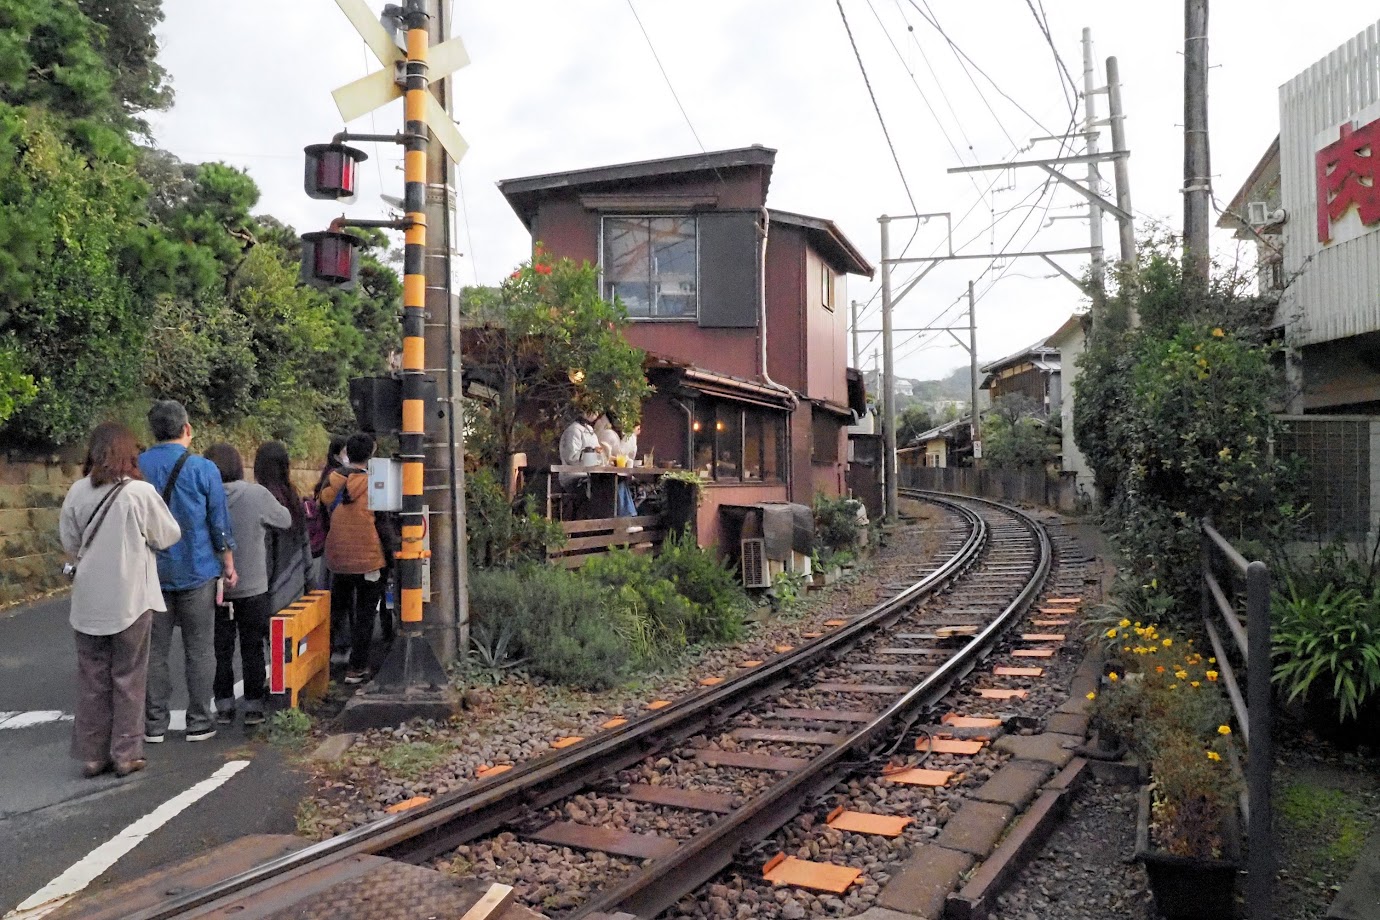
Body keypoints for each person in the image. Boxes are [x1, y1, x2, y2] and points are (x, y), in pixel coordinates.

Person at [59, 423, 182, 778]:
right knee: (128, 677)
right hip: (130, 598)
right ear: (129, 453)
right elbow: (168, 534)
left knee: (92, 678)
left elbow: (69, 539)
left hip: (87, 601)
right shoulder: (138, 493)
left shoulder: (77, 492)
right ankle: (126, 753)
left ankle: (93, 755)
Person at [140, 400, 237, 744]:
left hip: (151, 572)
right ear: (187, 429)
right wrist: (228, 564)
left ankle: (154, 723)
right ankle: (199, 720)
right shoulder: (204, 468)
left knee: (154, 650)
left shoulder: (137, 466)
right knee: (199, 648)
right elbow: (218, 523)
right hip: (198, 569)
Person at [204, 443, 292, 727]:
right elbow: (285, 519)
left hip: (215, 586)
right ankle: (253, 704)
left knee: (221, 648)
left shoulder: (204, 496)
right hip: (254, 586)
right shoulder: (256, 494)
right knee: (252, 647)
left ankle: (224, 704)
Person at [319, 433, 387, 684]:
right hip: (369, 558)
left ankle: (324, 662)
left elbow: (323, 505)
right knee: (365, 614)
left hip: (338, 557)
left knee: (337, 610)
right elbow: (383, 520)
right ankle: (356, 668)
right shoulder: (376, 482)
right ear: (371, 453)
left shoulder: (332, 480)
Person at [254, 441, 312, 617]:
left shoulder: (257, 499)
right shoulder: (293, 498)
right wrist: (310, 582)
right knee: (291, 640)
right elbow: (305, 543)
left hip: (265, 588)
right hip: (295, 583)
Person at [307, 435, 348, 594]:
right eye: (345, 452)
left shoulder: (328, 473)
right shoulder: (337, 476)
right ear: (337, 454)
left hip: (325, 533)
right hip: (331, 534)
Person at [558, 409, 603, 518]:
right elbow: (571, 457)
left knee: (610, 484)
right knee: (597, 488)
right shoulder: (573, 430)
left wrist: (599, 455)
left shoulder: (590, 431)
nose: (596, 413)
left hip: (590, 474)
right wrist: (590, 452)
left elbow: (598, 452)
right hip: (573, 475)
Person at [596, 415, 641, 517]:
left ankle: (630, 517)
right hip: (602, 474)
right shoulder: (607, 433)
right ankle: (627, 518)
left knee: (637, 487)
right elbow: (620, 453)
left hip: (608, 472)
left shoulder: (608, 430)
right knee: (622, 483)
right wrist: (631, 435)